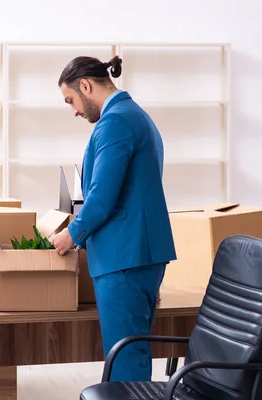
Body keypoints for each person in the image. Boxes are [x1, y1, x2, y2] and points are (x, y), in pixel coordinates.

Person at [51, 55, 177, 382]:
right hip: (134, 254)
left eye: (71, 100)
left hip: (124, 257)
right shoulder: (134, 115)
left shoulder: (115, 122)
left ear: (86, 85)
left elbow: (103, 197)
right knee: (129, 351)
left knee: (125, 358)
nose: (75, 110)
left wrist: (70, 235)